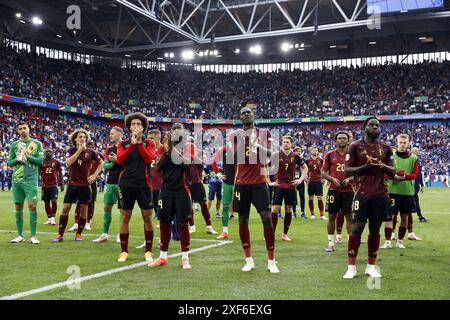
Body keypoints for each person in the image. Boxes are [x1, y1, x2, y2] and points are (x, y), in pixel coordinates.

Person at [343, 117, 396, 279]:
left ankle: (370, 266)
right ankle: (351, 267)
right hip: (362, 194)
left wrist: (381, 166)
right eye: (372, 125)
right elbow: (347, 170)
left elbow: (393, 171)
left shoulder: (386, 147)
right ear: (364, 127)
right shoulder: (355, 146)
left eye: (377, 125)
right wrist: (365, 167)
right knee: (356, 229)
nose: (375, 128)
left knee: (375, 230)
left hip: (381, 195)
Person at [233, 107, 278, 273]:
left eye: (249, 113)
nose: (246, 114)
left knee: (267, 218)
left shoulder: (264, 133)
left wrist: (255, 143)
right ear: (240, 117)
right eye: (243, 113)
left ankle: (271, 261)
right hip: (242, 183)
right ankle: (248, 260)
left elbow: (270, 155)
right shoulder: (235, 136)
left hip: (259, 182)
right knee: (242, 220)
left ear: (254, 116)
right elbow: (235, 157)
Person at [148, 123, 194, 269]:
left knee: (182, 224)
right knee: (164, 223)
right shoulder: (163, 147)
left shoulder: (188, 146)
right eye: (174, 129)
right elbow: (159, 167)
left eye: (179, 130)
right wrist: (167, 151)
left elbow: (185, 164)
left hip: (182, 190)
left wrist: (172, 149)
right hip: (166, 190)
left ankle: (185, 258)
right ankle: (162, 257)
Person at [116, 113, 155, 263]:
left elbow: (148, 159)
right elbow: (120, 160)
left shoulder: (149, 143)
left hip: (144, 184)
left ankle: (148, 251)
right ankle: (124, 251)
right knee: (125, 216)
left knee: (147, 217)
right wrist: (131, 144)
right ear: (129, 127)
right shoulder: (123, 143)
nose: (136, 126)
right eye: (133, 124)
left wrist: (138, 143)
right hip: (126, 184)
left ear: (143, 127)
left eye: (139, 124)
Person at [52, 129, 103, 242]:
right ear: (75, 138)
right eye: (80, 136)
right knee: (65, 208)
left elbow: (101, 162)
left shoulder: (91, 152)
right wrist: (79, 151)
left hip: (85, 185)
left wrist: (94, 175)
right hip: (72, 184)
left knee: (83, 209)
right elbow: (69, 162)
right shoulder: (71, 150)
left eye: (84, 137)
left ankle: (79, 234)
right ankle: (60, 235)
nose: (82, 139)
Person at [381, 134, 422, 249]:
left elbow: (415, 175)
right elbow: (384, 172)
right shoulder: (391, 156)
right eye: (400, 142)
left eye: (405, 143)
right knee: (390, 217)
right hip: (392, 191)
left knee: (404, 217)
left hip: (407, 192)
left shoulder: (414, 158)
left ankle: (400, 241)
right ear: (397, 142)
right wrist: (394, 176)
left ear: (408, 143)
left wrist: (404, 176)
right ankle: (388, 242)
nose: (403, 144)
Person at [8, 121, 44, 244]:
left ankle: (33, 236)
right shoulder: (14, 145)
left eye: (25, 128)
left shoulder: (36, 144)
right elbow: (10, 162)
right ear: (18, 131)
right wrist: (18, 159)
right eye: (20, 129)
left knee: (32, 206)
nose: (23, 130)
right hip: (17, 180)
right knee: (18, 206)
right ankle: (20, 235)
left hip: (30, 179)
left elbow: (40, 161)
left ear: (29, 129)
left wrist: (27, 156)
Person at [270, 135, 307, 241]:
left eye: (287, 142)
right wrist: (269, 182)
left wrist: (300, 179)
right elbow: (264, 167)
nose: (285, 143)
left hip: (290, 186)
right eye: (284, 141)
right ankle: (271, 233)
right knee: (275, 209)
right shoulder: (276, 155)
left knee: (288, 209)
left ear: (291, 144)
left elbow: (304, 168)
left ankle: (285, 234)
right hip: (278, 185)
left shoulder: (295, 156)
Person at [321, 132, 353, 252]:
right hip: (334, 190)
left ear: (348, 140)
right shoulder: (330, 155)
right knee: (331, 216)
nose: (342, 140)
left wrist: (350, 179)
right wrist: (332, 179)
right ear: (335, 140)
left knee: (349, 217)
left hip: (349, 190)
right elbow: (323, 172)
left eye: (344, 138)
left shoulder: (353, 155)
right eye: (339, 138)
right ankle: (331, 244)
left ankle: (351, 243)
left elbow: (358, 172)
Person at [93, 127, 123, 243]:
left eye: (112, 133)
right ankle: (105, 234)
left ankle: (121, 234)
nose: (110, 135)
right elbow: (105, 165)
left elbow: (128, 163)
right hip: (110, 181)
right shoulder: (109, 149)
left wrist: (116, 160)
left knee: (123, 210)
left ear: (119, 134)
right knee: (107, 207)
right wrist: (114, 162)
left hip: (122, 182)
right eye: (110, 133)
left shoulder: (126, 146)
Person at [187, 137, 218, 235]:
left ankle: (209, 227)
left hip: (197, 182)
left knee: (203, 205)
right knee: (188, 206)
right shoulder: (183, 154)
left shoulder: (199, 153)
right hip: (186, 183)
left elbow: (202, 164)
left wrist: (192, 155)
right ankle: (192, 226)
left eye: (191, 144)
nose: (190, 146)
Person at [211, 132, 237, 239]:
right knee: (225, 207)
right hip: (227, 183)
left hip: (240, 183)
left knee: (243, 208)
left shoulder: (242, 151)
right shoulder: (224, 149)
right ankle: (225, 231)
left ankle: (244, 231)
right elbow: (213, 162)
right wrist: (218, 174)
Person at [39, 149, 64, 225]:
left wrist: (61, 184)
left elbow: (60, 173)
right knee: (46, 202)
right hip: (44, 186)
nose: (48, 153)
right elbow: (37, 172)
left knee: (54, 200)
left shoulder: (56, 162)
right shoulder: (41, 162)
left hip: (53, 185)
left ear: (52, 153)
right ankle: (49, 218)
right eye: (47, 152)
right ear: (44, 154)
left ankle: (53, 217)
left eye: (50, 152)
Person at [305, 146, 326, 220]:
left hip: (318, 181)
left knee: (319, 197)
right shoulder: (307, 160)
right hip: (311, 181)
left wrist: (324, 178)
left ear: (318, 151)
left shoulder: (321, 160)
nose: (315, 151)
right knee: (310, 198)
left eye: (316, 150)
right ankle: (312, 214)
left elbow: (325, 170)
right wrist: (305, 178)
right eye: (313, 150)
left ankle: (322, 215)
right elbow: (304, 169)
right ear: (311, 151)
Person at [411, 147, 428, 222]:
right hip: (411, 184)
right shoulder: (410, 160)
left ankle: (393, 215)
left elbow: (419, 173)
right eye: (415, 151)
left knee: (413, 200)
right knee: (415, 200)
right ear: (411, 151)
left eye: (417, 151)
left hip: (416, 184)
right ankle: (420, 216)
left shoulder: (417, 160)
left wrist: (422, 185)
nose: (417, 152)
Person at [293, 146, 307, 219]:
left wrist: (304, 178)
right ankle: (294, 213)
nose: (298, 152)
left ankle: (302, 212)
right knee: (293, 197)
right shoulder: (291, 159)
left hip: (300, 181)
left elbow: (305, 169)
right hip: (293, 181)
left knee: (302, 196)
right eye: (297, 151)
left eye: (299, 151)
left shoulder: (302, 160)